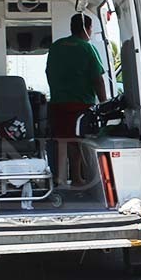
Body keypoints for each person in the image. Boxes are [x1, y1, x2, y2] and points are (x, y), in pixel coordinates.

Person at [46, 13, 108, 185]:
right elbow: (98, 79)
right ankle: (77, 178)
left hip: (57, 104)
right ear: (87, 29)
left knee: (61, 141)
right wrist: (103, 104)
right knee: (78, 142)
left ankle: (59, 179)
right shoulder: (87, 48)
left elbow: (48, 72)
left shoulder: (56, 47)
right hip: (80, 104)